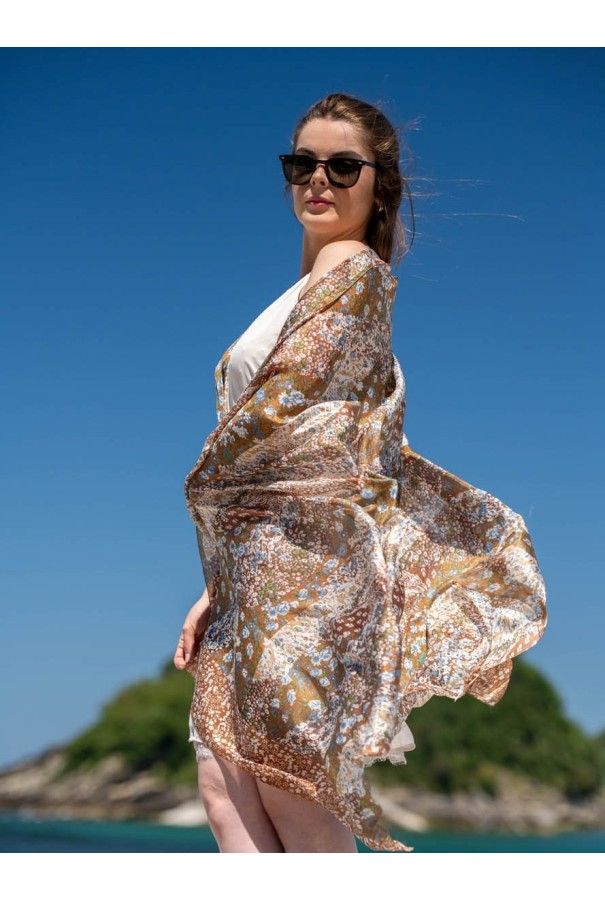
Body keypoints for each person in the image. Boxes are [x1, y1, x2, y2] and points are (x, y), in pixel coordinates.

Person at [173, 92, 547, 853]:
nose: (318, 179)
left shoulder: (352, 270)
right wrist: (217, 582)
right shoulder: (307, 288)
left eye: (342, 166)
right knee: (224, 778)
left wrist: (203, 487)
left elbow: (288, 418)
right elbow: (327, 440)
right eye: (301, 164)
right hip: (255, 569)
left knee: (290, 787)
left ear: (380, 186)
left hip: (303, 574)